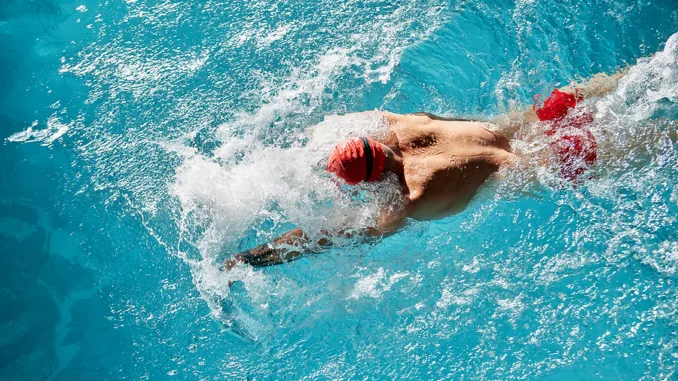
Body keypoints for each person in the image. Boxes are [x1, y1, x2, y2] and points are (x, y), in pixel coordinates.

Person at [224, 70, 626, 268]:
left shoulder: (410, 199)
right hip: (536, 120)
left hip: (558, 160)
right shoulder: (401, 123)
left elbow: (322, 238)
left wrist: (251, 258)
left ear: (373, 181)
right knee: (617, 86)